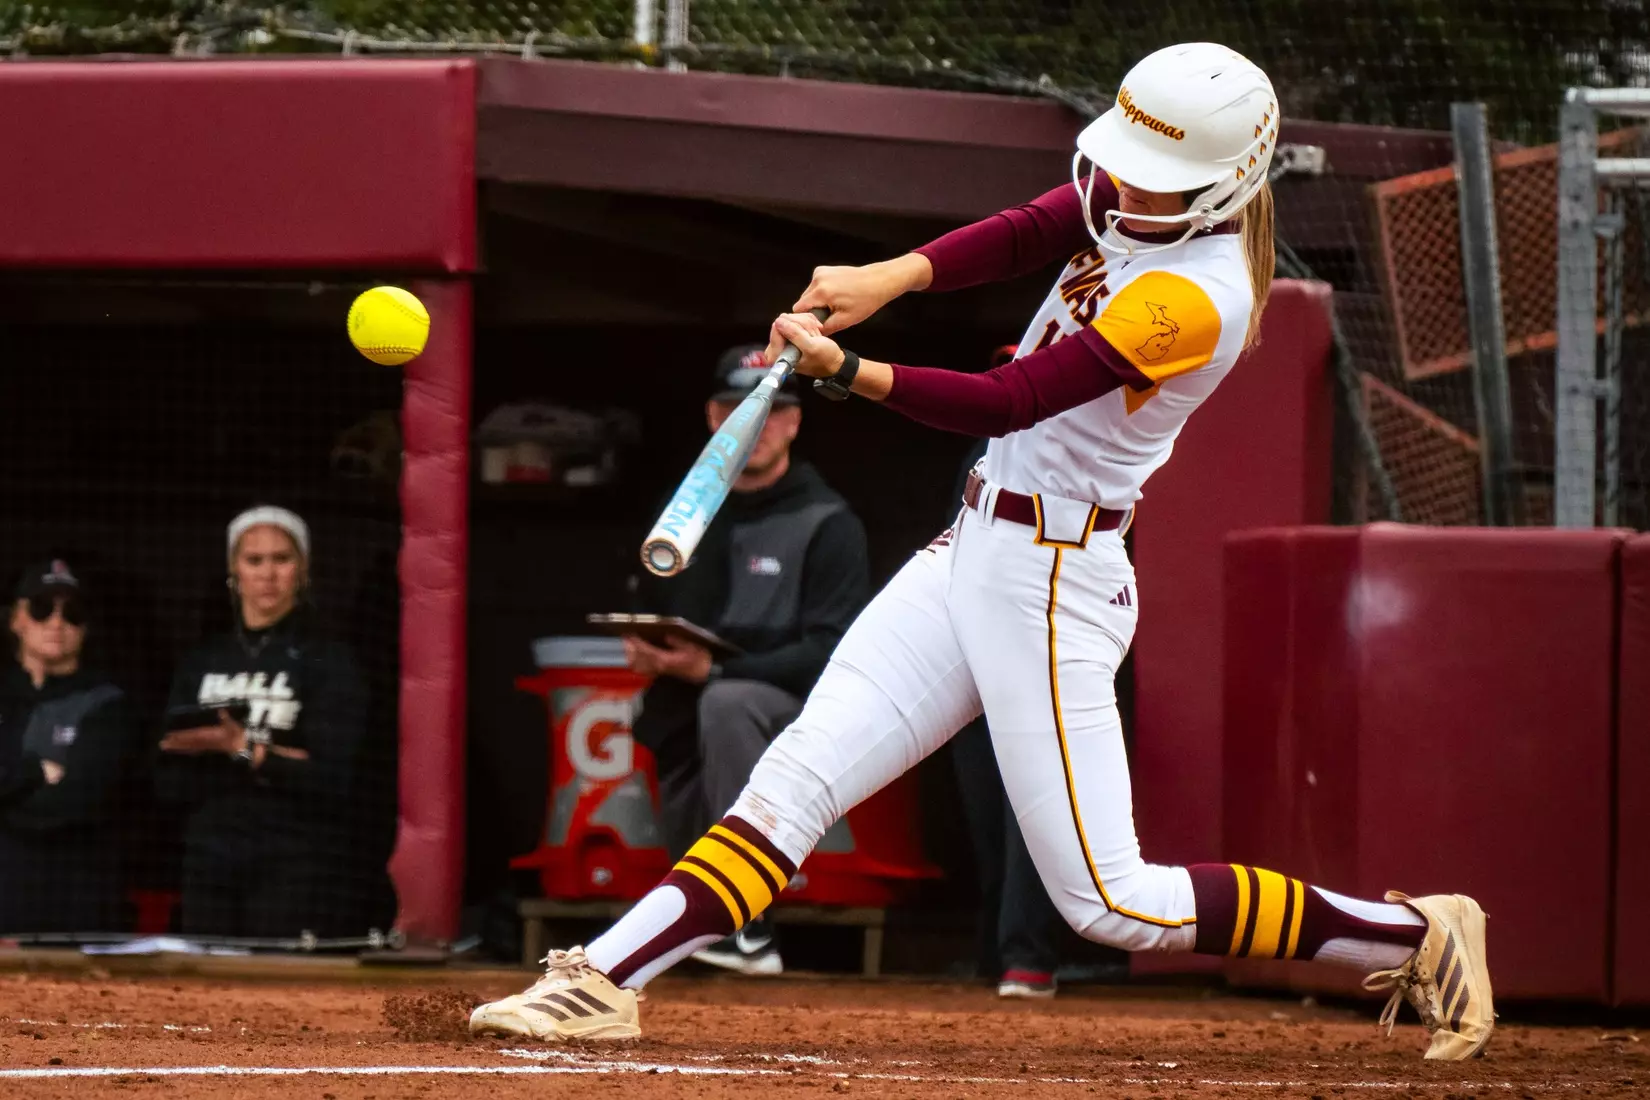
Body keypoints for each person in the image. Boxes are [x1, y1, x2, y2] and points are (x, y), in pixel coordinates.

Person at [472, 44, 1493, 1060]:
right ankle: (603, 976)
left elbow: (1017, 395)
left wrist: (849, 370)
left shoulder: (1204, 294)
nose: (1122, 183)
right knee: (792, 780)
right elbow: (1041, 222)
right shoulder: (1134, 189)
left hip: (1055, 577)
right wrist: (892, 274)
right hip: (972, 543)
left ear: (1222, 185)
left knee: (1111, 900)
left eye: (1154, 173)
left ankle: (1418, 932)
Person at [623, 345, 870, 976]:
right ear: (713, 417)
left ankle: (749, 919)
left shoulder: (829, 519)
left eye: (768, 411)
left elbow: (831, 652)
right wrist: (650, 651)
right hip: (688, 704)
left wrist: (718, 674)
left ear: (792, 422)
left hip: (796, 710)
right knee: (682, 719)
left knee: (726, 703)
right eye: (736, 410)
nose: (752, 427)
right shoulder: (682, 515)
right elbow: (648, 606)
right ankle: (707, 931)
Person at [155, 506, 394, 940]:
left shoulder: (330, 660)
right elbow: (168, 766)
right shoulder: (202, 660)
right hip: (209, 853)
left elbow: (333, 773)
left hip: (297, 858)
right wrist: (275, 755)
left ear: (302, 570)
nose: (268, 574)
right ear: (234, 572)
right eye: (254, 560)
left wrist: (238, 748)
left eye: (281, 559)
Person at [944, 401, 1067, 1000]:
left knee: (1036, 815)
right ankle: (992, 952)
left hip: (1049, 652)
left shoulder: (1086, 459)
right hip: (979, 655)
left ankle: (1028, 956)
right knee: (985, 818)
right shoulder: (985, 457)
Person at [0, 559, 139, 935]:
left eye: (72, 613)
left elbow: (78, 801)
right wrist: (33, 773)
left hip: (77, 904)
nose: (57, 623)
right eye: (42, 608)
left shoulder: (108, 703)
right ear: (16, 619)